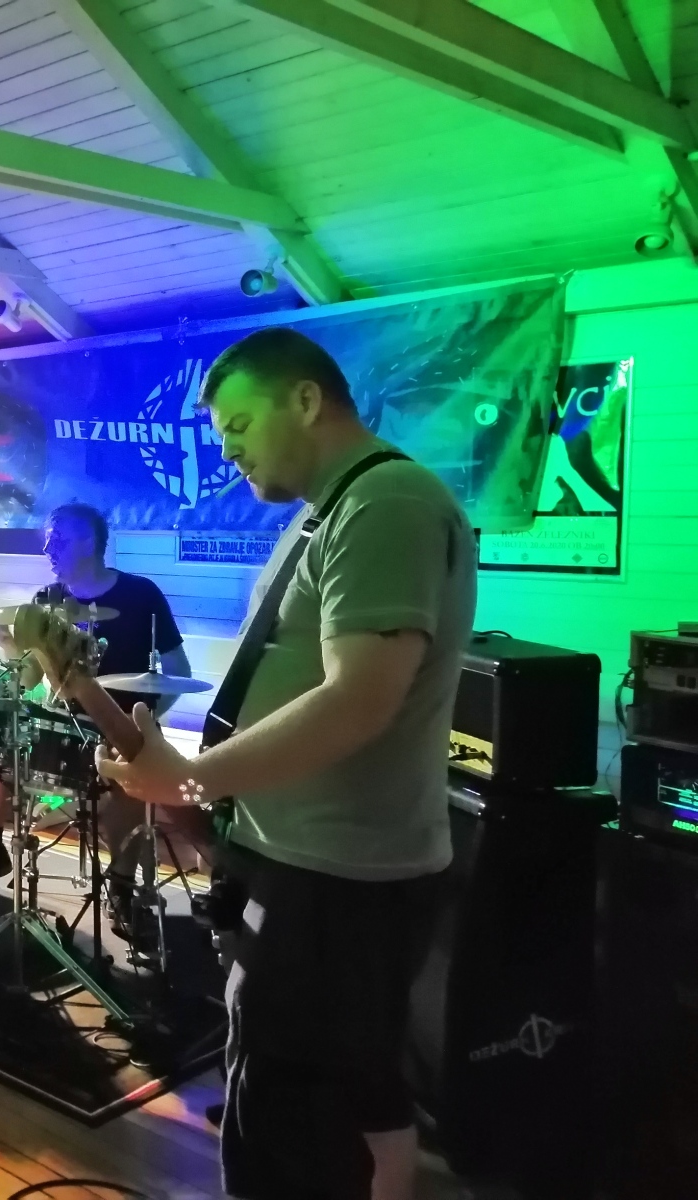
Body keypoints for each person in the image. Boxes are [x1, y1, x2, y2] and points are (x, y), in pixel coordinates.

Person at [95, 328, 476, 1200]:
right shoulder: (330, 511)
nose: (226, 450)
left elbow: (361, 698)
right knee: (343, 1087)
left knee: (288, 1119)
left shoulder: (387, 502)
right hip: (307, 859)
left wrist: (190, 780)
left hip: (337, 875)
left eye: (238, 425)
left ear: (305, 400)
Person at [0, 503, 189, 903]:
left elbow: (179, 670)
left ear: (90, 542)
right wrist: (9, 646)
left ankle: (122, 886)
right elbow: (29, 678)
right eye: (47, 540)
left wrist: (146, 724)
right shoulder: (46, 600)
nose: (47, 549)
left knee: (128, 778)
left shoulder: (141, 594)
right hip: (63, 725)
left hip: (124, 728)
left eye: (58, 539)